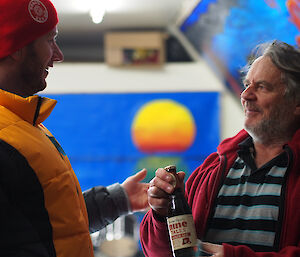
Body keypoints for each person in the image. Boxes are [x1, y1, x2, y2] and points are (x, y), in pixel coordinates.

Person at [0, 0, 149, 256]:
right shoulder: (6, 137)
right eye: (49, 40)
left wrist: (120, 198)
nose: (58, 55)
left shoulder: (27, 125)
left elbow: (49, 224)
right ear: (16, 47)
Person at [140, 40, 300, 257]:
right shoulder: (212, 170)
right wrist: (161, 214)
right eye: (246, 85)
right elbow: (159, 253)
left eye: (262, 87)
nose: (245, 96)